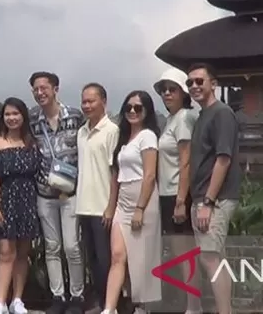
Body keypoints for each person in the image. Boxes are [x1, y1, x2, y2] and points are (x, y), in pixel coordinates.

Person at [186, 63, 242, 314]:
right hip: (202, 197)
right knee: (209, 257)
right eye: (190, 83)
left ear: (213, 84)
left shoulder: (221, 113)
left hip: (215, 199)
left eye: (200, 81)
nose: (195, 86)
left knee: (211, 258)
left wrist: (208, 202)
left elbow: (223, 159)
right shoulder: (202, 116)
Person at [28, 71, 85, 314]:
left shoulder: (74, 115)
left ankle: (78, 296)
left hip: (70, 192)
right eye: (35, 89)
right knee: (51, 247)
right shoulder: (32, 120)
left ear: (55, 89)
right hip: (45, 191)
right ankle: (58, 295)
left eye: (44, 88)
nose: (40, 93)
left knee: (72, 247)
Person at [102, 91, 162, 314]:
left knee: (142, 257)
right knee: (117, 255)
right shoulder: (123, 138)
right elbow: (115, 176)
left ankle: (141, 306)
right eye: (129, 107)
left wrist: (140, 208)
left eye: (138, 107)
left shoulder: (148, 136)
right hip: (123, 199)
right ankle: (109, 308)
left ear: (147, 111)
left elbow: (149, 175)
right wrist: (111, 206)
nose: (133, 112)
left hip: (143, 198)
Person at [0, 97, 41, 314]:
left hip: (27, 200)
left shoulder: (32, 143)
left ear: (23, 116)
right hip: (5, 200)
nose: (11, 118)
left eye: (15, 114)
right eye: (7, 114)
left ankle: (17, 299)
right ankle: (0, 301)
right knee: (5, 252)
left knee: (22, 253)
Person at [153, 67, 201, 314]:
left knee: (185, 253)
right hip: (167, 193)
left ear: (184, 93)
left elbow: (186, 160)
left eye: (172, 89)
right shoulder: (171, 119)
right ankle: (189, 303)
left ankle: (194, 306)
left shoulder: (183, 118)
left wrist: (181, 200)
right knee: (178, 251)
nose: (167, 94)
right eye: (164, 90)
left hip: (177, 194)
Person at [75, 83, 119, 313]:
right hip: (83, 205)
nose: (87, 105)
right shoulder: (81, 132)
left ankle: (112, 304)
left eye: (91, 101)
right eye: (84, 101)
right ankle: (101, 303)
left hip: (103, 206)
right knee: (91, 260)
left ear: (104, 101)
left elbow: (115, 172)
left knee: (106, 261)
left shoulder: (111, 131)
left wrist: (111, 207)